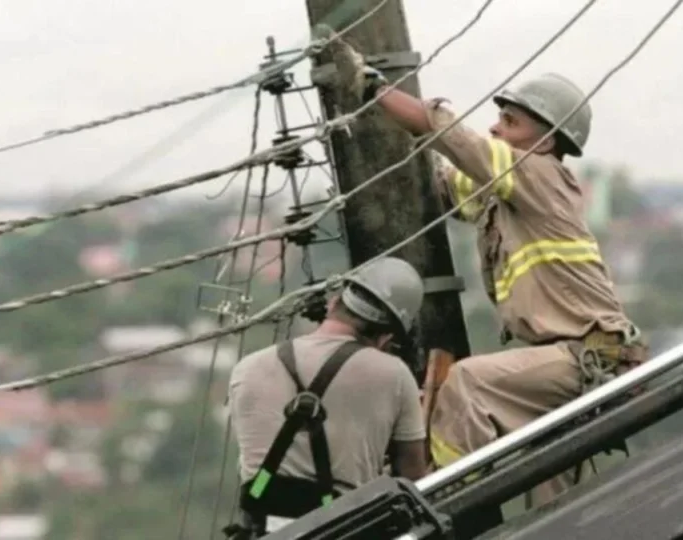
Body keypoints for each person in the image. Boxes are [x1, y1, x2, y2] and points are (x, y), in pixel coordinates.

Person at [326, 39, 649, 513]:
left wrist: (374, 88)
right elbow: (451, 182)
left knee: (468, 384)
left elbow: (451, 135)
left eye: (510, 122)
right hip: (566, 362)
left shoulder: (538, 174)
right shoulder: (510, 193)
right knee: (551, 486)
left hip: (584, 356)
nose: (496, 129)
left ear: (546, 140)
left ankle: (452, 498)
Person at [225, 256, 429, 538]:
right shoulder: (394, 374)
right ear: (385, 338)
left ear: (333, 304)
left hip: (265, 529)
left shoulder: (247, 368)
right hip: (343, 529)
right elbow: (413, 478)